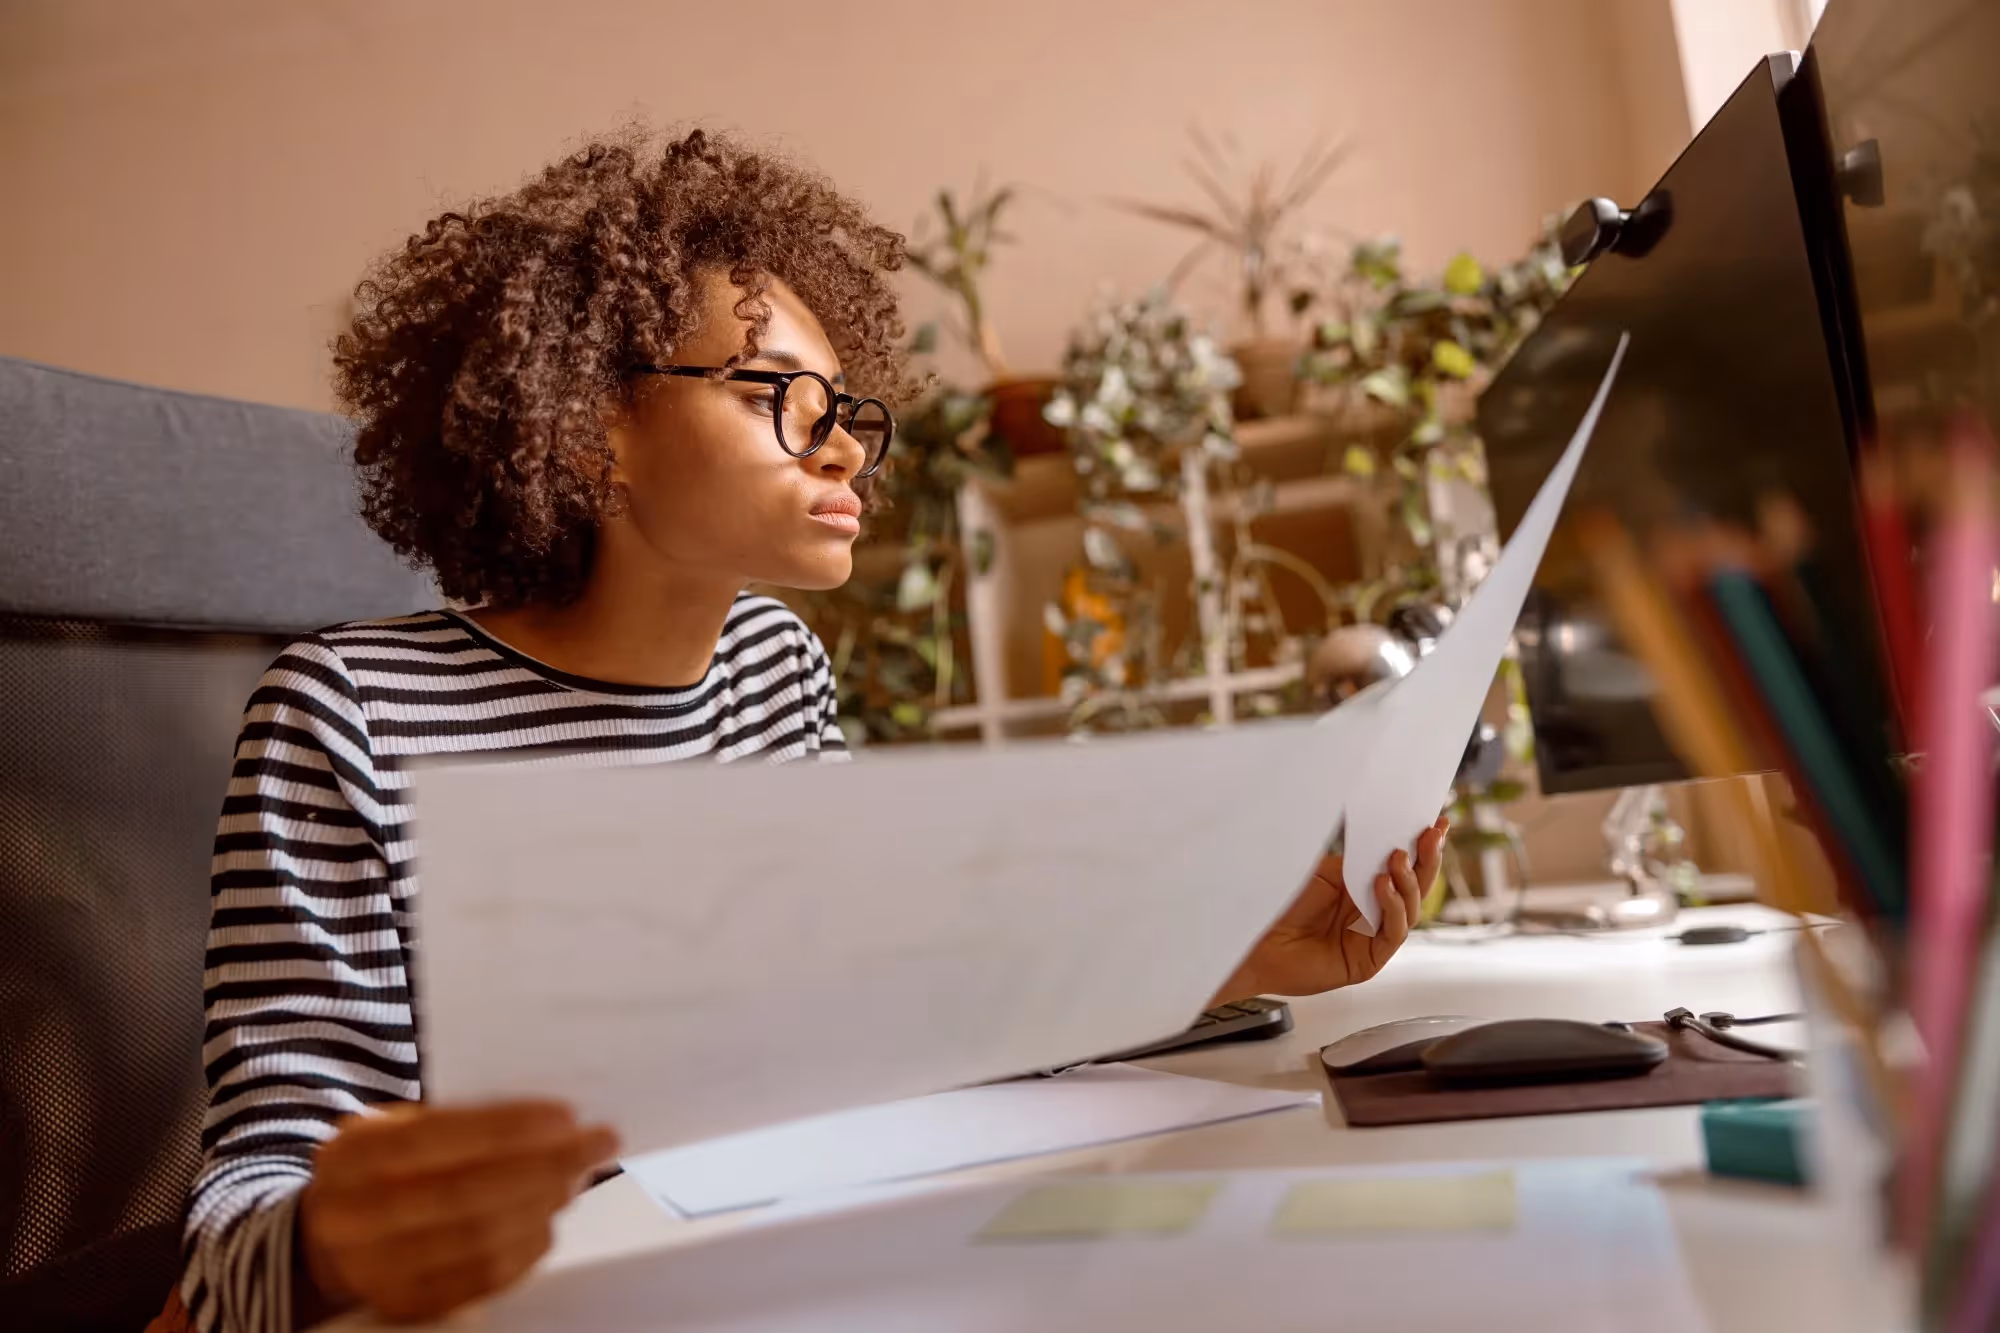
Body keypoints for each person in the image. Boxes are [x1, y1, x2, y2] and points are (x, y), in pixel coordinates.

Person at [169, 127, 1447, 1333]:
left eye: (844, 405)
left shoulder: (771, 669)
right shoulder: (348, 714)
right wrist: (338, 1244)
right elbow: (239, 1234)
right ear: (590, 424)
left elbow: (881, 1031)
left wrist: (1219, 952)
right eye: (775, 393)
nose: (840, 446)